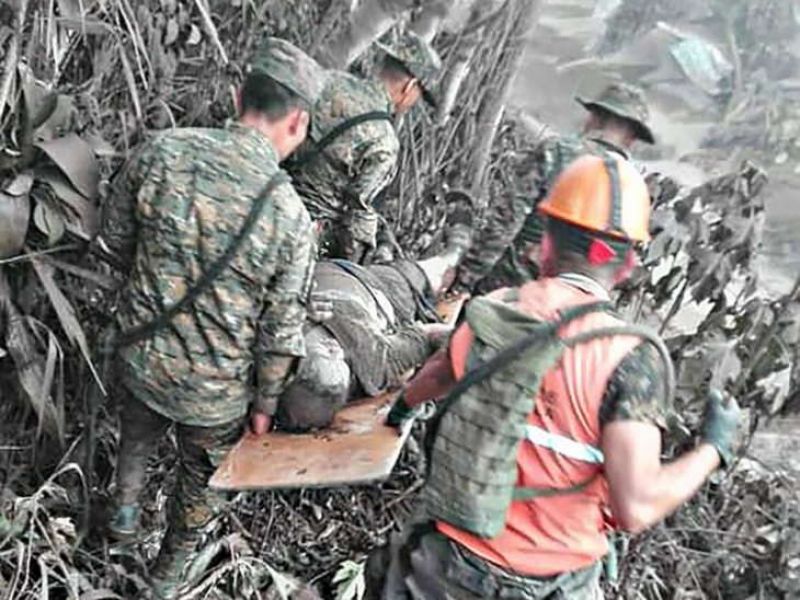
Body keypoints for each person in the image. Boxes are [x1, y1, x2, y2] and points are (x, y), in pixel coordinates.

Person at [372, 154, 741, 599]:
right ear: (626, 266)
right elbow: (636, 506)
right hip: (550, 584)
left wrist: (400, 412)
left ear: (545, 242)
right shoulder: (629, 356)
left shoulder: (495, 311)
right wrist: (712, 450)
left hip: (446, 567)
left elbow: (434, 377)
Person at [100, 38, 323, 597]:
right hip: (215, 395)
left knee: (136, 437)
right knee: (200, 484)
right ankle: (166, 577)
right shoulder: (289, 215)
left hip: (140, 360)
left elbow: (113, 241)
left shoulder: (163, 151)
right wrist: (266, 406)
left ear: (236, 95)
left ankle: (118, 533)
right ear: (297, 121)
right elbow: (280, 331)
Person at [276, 200, 472, 431]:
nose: (332, 346)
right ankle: (452, 253)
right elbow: (444, 337)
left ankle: (453, 252)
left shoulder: (277, 336)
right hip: (381, 288)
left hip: (349, 275)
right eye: (335, 355)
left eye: (324, 351)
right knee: (426, 276)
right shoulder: (374, 362)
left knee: (431, 270)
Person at [454, 82, 656, 294]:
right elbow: (618, 261)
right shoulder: (635, 187)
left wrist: (465, 279)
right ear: (633, 138)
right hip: (574, 303)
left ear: (595, 118)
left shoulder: (557, 152)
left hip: (511, 287)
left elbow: (505, 222)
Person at [286, 31, 441, 263]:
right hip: (303, 232)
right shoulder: (384, 141)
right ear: (409, 86)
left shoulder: (327, 80)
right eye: (418, 95)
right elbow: (357, 215)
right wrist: (359, 262)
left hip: (271, 190)